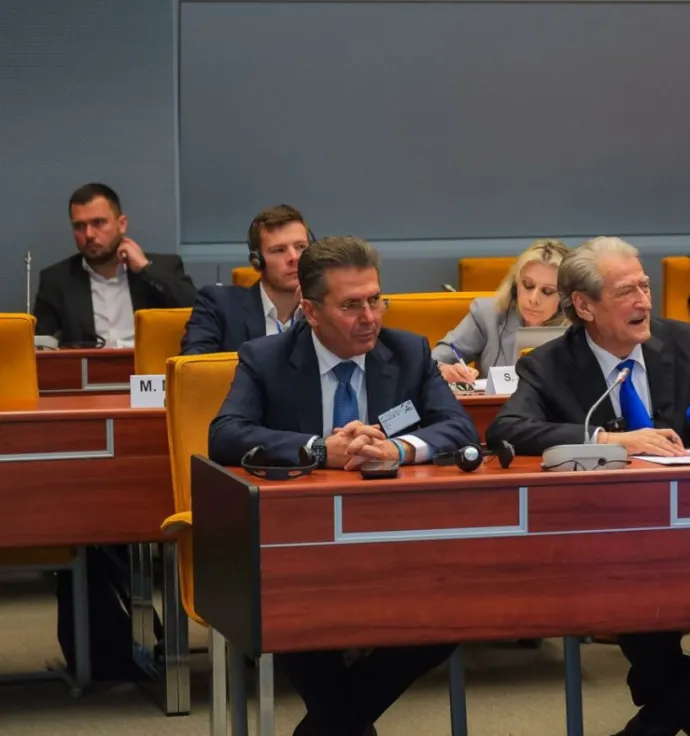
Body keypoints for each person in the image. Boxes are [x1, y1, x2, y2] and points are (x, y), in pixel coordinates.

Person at [486, 237, 690, 736]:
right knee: (639, 615)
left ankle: (655, 719)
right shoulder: (548, 364)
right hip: (612, 544)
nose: (644, 301)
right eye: (626, 291)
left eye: (645, 287)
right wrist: (609, 439)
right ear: (584, 305)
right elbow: (508, 429)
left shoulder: (688, 344)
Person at [209, 236, 478, 736]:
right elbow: (225, 434)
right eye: (351, 305)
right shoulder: (265, 358)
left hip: (396, 539)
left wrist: (398, 449)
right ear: (311, 311)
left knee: (451, 612)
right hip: (302, 546)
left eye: (376, 300)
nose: (370, 317)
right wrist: (318, 449)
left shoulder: (408, 351)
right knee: (293, 610)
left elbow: (460, 429)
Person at [33, 183, 196, 347]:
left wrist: (146, 269)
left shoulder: (164, 267)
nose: (89, 234)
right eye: (79, 226)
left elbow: (198, 315)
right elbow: (41, 346)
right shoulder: (56, 280)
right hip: (88, 364)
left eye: (98, 222)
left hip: (147, 363)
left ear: (122, 224)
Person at [432, 239, 568, 382]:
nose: (533, 299)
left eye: (547, 291)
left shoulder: (578, 327)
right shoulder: (487, 315)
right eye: (528, 285)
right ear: (515, 286)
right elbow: (434, 361)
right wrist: (445, 370)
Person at [181, 204, 310, 354]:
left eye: (301, 247)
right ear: (257, 262)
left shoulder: (324, 310)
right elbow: (194, 363)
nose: (294, 257)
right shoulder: (219, 306)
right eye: (279, 250)